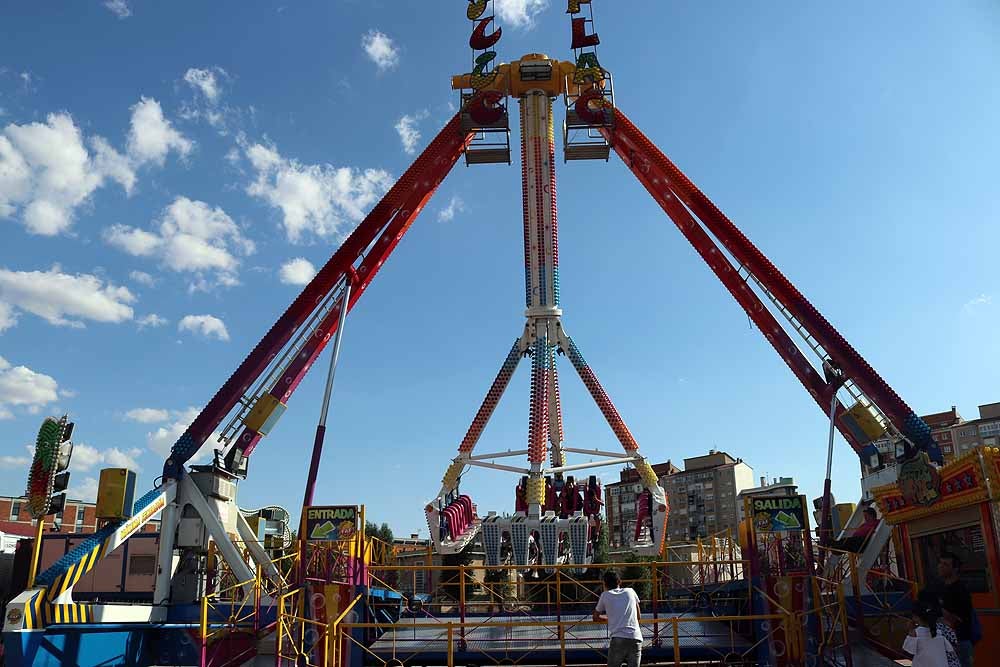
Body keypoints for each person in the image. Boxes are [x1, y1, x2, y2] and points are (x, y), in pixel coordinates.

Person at [932, 552, 975, 667]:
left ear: (955, 569)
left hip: (959, 641)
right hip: (945, 641)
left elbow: (960, 619)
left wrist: (938, 610)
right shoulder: (940, 587)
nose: (940, 566)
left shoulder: (961, 590)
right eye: (940, 563)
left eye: (945, 564)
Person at [593, 570, 642, 667]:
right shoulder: (630, 591)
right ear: (619, 582)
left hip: (618, 638)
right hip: (636, 637)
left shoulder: (605, 595)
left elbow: (595, 617)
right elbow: (638, 616)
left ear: (604, 584)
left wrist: (610, 618)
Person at [904, 599, 954, 667]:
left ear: (916, 617)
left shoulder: (916, 633)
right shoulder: (938, 632)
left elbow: (908, 651)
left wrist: (910, 630)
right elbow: (950, 649)